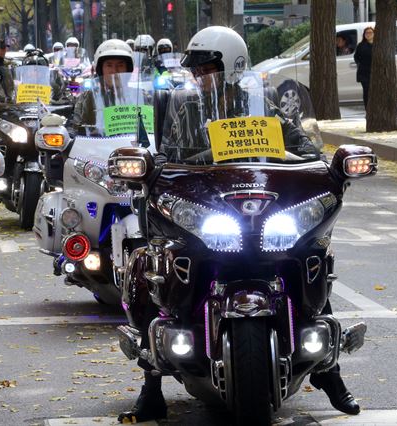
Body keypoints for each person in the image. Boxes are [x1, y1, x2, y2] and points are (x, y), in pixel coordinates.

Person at [117, 26, 357, 424]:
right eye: (197, 69)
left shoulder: (262, 104)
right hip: (207, 204)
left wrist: (319, 163)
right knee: (153, 267)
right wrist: (152, 167)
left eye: (208, 67)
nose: (200, 76)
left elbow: (302, 147)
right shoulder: (183, 106)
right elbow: (167, 155)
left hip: (264, 207)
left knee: (308, 257)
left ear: (232, 67)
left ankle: (330, 373)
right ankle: (151, 382)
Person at [70, 39, 134, 135]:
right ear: (100, 70)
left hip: (133, 148)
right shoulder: (87, 98)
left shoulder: (140, 97)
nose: (114, 71)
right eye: (109, 65)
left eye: (120, 65)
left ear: (128, 69)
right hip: (96, 148)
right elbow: (75, 131)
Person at [354, 26, 374, 109]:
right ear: (364, 35)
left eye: (370, 32)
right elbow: (356, 57)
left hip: (375, 72)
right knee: (366, 91)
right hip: (364, 73)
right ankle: (368, 109)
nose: (368, 34)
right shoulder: (361, 45)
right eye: (366, 33)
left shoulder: (378, 45)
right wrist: (360, 64)